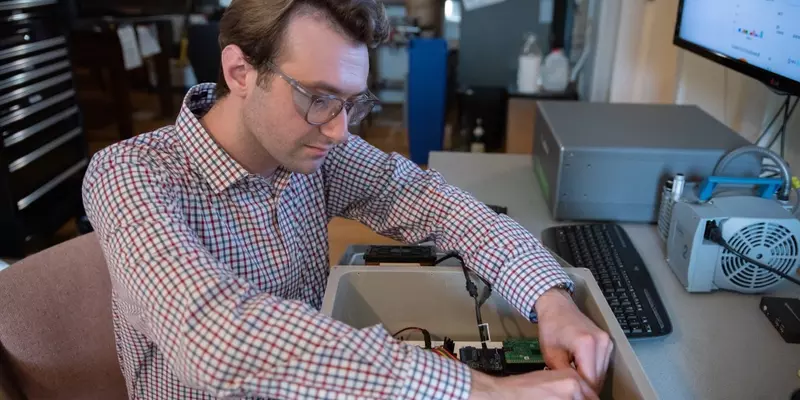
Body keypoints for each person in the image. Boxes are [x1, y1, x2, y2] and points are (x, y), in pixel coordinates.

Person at [82, 0, 613, 399]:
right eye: (318, 98)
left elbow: (436, 203)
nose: (338, 131)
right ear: (240, 72)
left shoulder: (314, 150)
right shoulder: (130, 176)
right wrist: (483, 390)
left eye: (351, 104)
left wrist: (551, 299)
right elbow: (214, 336)